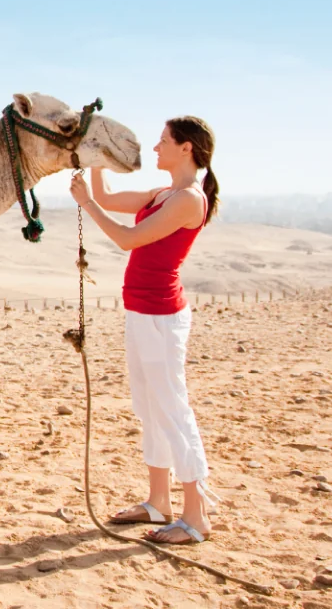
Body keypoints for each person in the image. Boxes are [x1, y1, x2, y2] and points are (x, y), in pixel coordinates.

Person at [67, 115, 220, 545]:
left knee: (172, 408)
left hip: (161, 317)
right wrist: (94, 154)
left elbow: (127, 239)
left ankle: (196, 517)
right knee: (148, 406)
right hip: (141, 311)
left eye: (163, 141)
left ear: (186, 148)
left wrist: (86, 205)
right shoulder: (163, 192)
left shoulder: (188, 200)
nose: (155, 148)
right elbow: (106, 194)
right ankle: (158, 502)